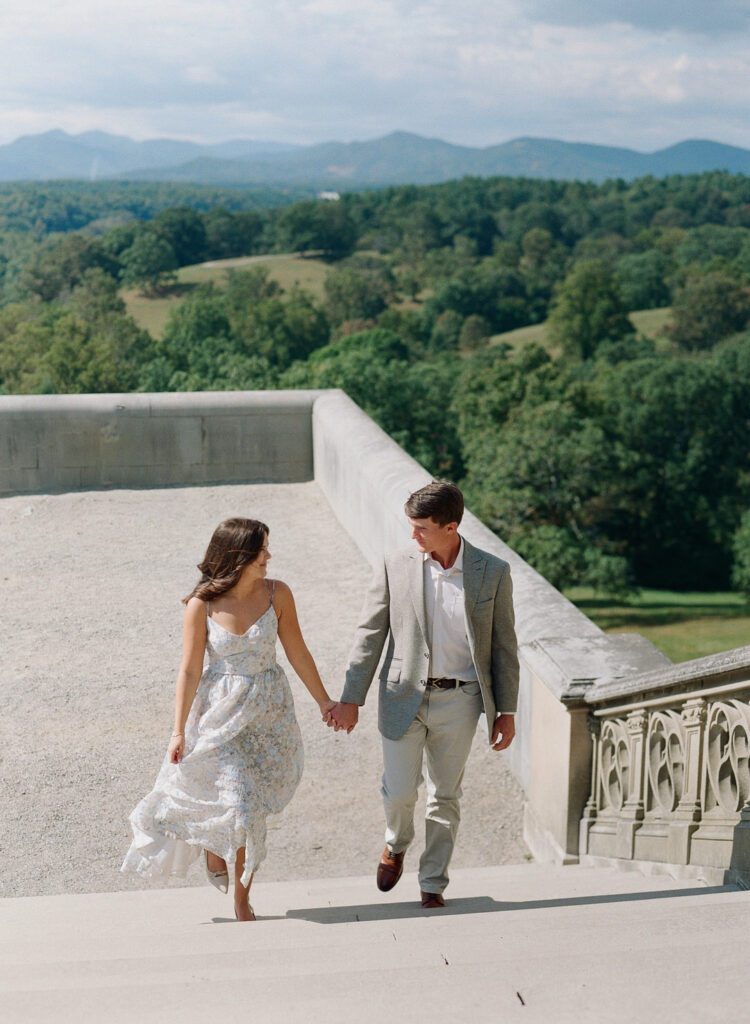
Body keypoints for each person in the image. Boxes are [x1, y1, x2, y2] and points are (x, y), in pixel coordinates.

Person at [121, 517, 335, 921]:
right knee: (237, 802)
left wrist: (324, 702)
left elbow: (298, 652)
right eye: (262, 550)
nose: (269, 557)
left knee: (251, 808)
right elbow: (188, 669)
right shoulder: (202, 604)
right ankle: (240, 897)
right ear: (239, 556)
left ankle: (240, 885)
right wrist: (178, 731)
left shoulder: (278, 594)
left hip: (269, 715)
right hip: (220, 713)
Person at [328, 481, 519, 908]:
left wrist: (506, 710)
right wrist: (350, 698)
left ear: (451, 526)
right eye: (410, 526)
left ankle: (433, 882)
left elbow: (505, 645)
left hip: (463, 699)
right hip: (401, 696)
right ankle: (396, 844)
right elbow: (371, 632)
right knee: (399, 792)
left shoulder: (493, 572)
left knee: (445, 795)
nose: (412, 536)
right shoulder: (395, 564)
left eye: (421, 528)